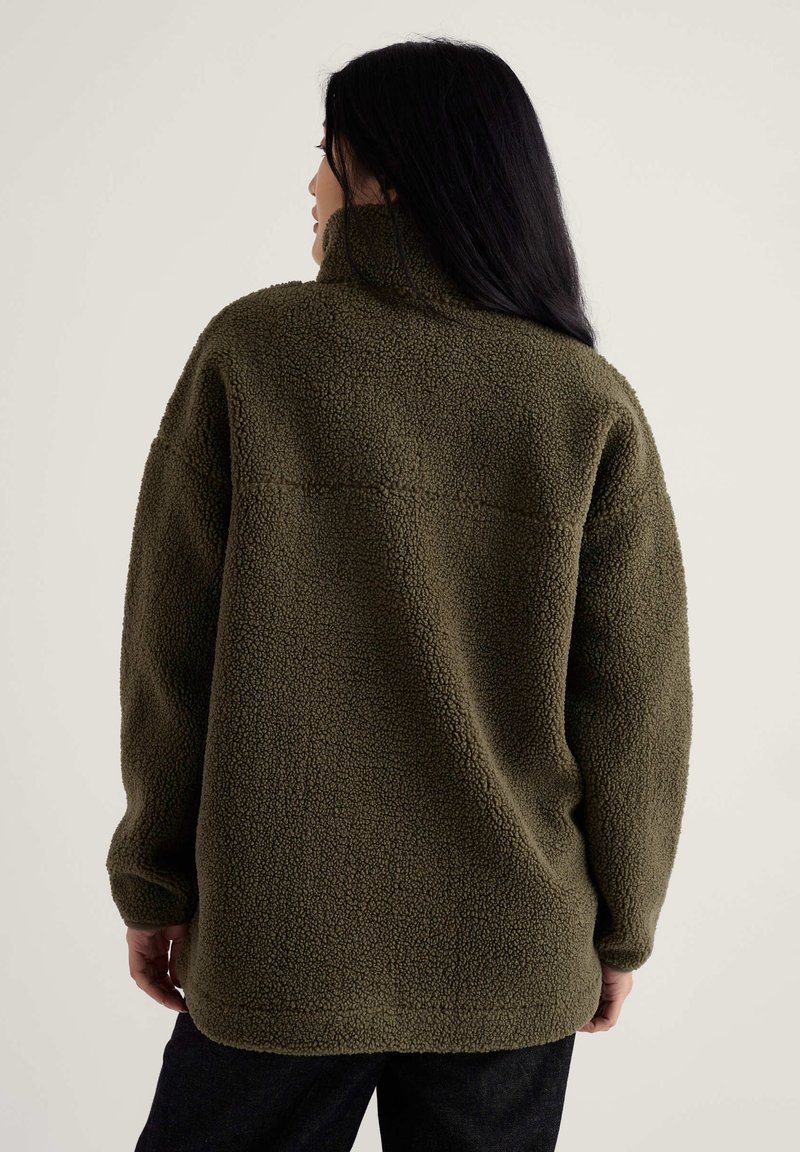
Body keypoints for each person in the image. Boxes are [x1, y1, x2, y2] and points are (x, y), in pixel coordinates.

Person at [107, 36, 692, 1152]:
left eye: (326, 154)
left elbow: (168, 656)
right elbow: (635, 704)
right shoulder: (583, 401)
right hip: (511, 947)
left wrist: (154, 879)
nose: (311, 185)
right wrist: (622, 926)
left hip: (281, 943)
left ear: (383, 175)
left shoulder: (254, 353)